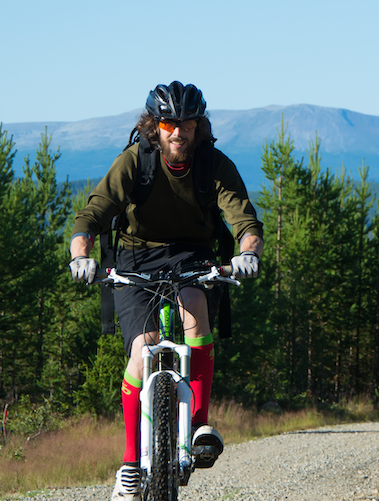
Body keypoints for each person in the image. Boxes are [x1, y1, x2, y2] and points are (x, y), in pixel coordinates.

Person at [67, 81, 263, 501]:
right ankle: (129, 463)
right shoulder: (137, 160)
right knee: (143, 348)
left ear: (198, 125)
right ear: (154, 126)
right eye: (169, 123)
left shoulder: (213, 164)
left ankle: (199, 426)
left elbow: (245, 221)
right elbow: (93, 214)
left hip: (192, 255)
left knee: (195, 310)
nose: (178, 132)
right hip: (136, 259)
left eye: (187, 124)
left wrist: (248, 254)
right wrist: (81, 255)